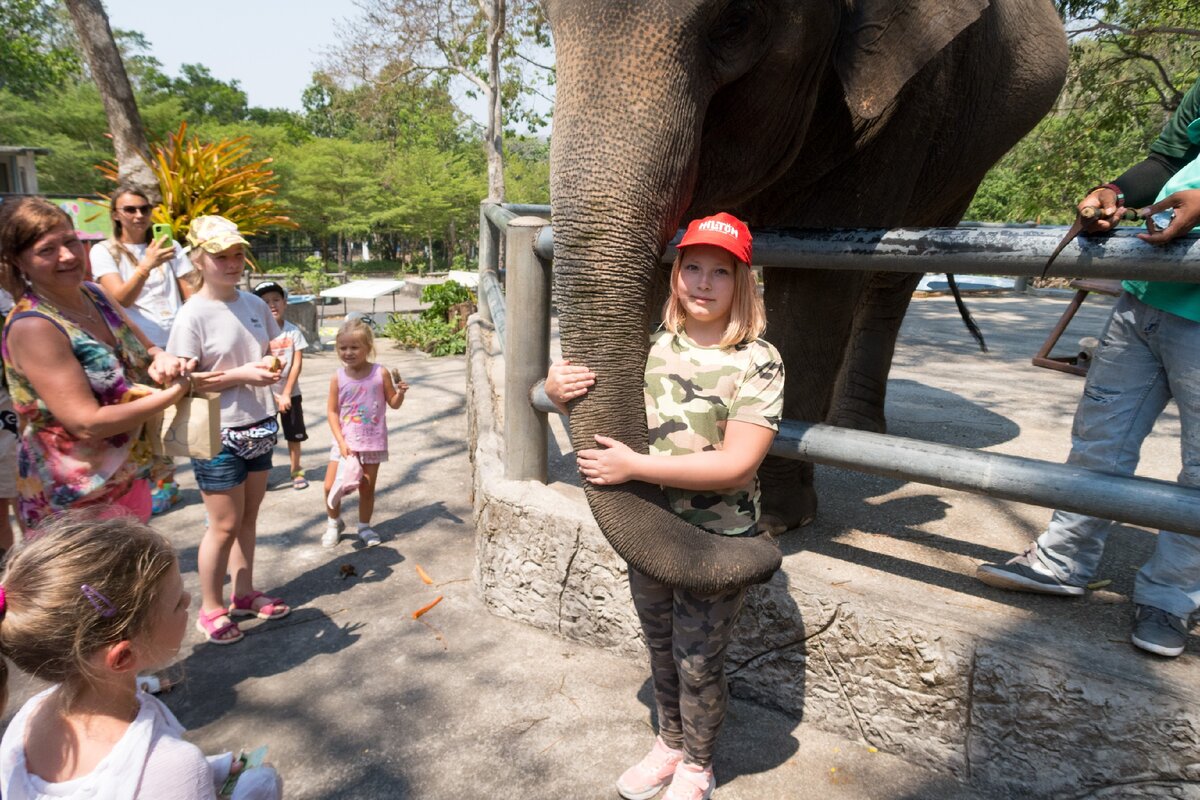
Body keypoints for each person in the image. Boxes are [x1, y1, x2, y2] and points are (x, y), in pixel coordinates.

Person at [545, 212, 784, 800]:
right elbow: (589, 397)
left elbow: (737, 464)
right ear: (675, 275)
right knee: (659, 648)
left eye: (720, 273)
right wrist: (555, 390)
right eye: (692, 268)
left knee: (699, 658)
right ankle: (669, 743)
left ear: (741, 283)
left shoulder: (760, 359)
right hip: (650, 528)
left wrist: (636, 467)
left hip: (717, 539)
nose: (703, 284)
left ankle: (698, 764)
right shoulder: (649, 345)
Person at [977, 76, 1200, 658]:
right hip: (1145, 297)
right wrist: (1116, 193)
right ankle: (1061, 560)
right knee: (1099, 439)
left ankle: (1172, 597)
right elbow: (1167, 160)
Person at [0, 512, 282, 799]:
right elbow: (161, 774)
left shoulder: (27, 719)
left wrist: (212, 770)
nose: (187, 600)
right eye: (176, 603)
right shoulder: (174, 765)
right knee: (263, 781)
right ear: (122, 657)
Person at [0, 197, 203, 531]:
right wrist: (173, 394)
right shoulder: (33, 326)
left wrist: (162, 358)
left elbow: (147, 347)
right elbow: (86, 423)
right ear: (19, 261)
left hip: (128, 476)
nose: (66, 256)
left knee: (138, 581)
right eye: (47, 250)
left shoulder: (95, 294)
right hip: (73, 498)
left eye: (70, 241)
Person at [166, 216, 290, 646]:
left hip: (259, 424)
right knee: (222, 525)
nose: (233, 263)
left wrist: (278, 363)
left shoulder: (254, 305)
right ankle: (210, 607)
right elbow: (184, 382)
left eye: (238, 254)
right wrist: (243, 374)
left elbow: (272, 352)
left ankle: (243, 592)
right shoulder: (192, 315)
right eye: (221, 256)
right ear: (199, 259)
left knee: (248, 519)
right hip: (217, 431)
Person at [323, 318, 407, 548]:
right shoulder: (337, 377)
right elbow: (331, 411)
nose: (348, 352)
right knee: (331, 486)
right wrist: (340, 441)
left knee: (366, 487)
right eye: (343, 348)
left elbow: (394, 403)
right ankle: (333, 523)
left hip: (372, 442)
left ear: (368, 348)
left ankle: (364, 526)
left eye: (354, 347)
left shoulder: (380, 373)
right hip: (345, 442)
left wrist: (400, 393)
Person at [89, 186, 196, 349]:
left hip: (180, 340)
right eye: (130, 210)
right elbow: (121, 299)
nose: (139, 215)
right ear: (115, 215)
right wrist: (146, 266)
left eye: (145, 209)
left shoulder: (169, 245)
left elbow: (191, 293)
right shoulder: (103, 251)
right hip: (141, 345)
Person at [253, 281, 310, 490]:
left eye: (276, 300)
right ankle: (261, 474)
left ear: (285, 302)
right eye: (265, 301)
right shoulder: (257, 334)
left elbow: (296, 365)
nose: (272, 305)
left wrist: (286, 394)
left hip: (291, 394)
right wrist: (274, 396)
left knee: (294, 435)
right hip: (264, 397)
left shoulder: (292, 332)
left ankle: (296, 471)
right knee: (265, 437)